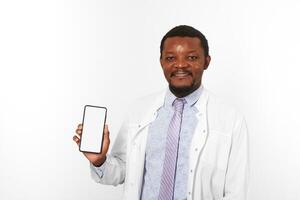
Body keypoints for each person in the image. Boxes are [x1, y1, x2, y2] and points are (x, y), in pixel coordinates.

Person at [73, 25, 249, 200]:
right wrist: (99, 160)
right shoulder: (139, 110)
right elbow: (121, 172)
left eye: (192, 57)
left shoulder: (230, 119)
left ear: (206, 62)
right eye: (171, 58)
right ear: (162, 61)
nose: (180, 65)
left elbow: (236, 192)